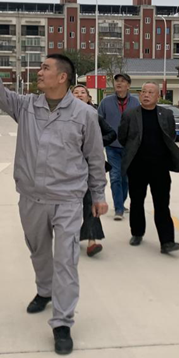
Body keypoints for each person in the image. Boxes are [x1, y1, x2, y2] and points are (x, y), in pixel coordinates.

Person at [0, 23, 108, 356]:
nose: (39, 72)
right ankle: (44, 290)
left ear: (62, 77)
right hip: (31, 197)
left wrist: (99, 195)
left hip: (67, 199)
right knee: (38, 251)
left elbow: (95, 157)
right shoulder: (26, 106)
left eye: (45, 68)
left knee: (66, 260)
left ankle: (62, 322)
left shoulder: (84, 114)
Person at [118, 82, 179, 254]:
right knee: (137, 202)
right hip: (137, 166)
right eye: (143, 92)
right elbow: (123, 137)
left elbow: (170, 135)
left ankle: (167, 241)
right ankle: (137, 233)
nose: (146, 95)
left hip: (160, 167)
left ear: (158, 96)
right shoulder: (130, 114)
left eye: (150, 92)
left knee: (162, 204)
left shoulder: (166, 114)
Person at [72, 84, 116, 257]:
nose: (79, 95)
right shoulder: (63, 116)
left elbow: (111, 134)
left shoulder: (94, 115)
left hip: (91, 166)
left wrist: (95, 143)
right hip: (69, 168)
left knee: (91, 201)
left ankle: (92, 240)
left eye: (83, 92)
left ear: (89, 98)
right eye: (75, 93)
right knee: (71, 205)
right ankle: (71, 236)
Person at [97, 73, 140, 220]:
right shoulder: (106, 102)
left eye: (122, 81)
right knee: (115, 177)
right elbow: (98, 123)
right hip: (112, 146)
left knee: (126, 179)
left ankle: (120, 202)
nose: (119, 84)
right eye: (117, 81)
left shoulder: (136, 103)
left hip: (130, 147)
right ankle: (119, 209)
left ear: (128, 85)